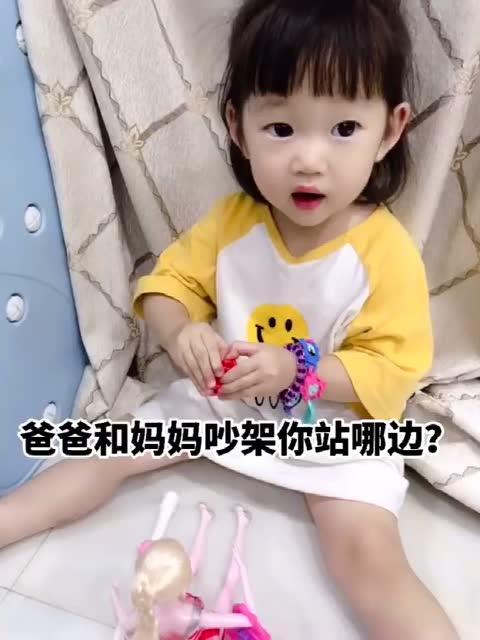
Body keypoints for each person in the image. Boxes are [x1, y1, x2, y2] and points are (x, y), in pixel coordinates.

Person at [0, 1, 459, 638]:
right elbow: (167, 287)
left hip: (333, 434)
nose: (309, 160)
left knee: (366, 556)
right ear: (239, 128)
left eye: (344, 128)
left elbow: (393, 368)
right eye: (282, 128)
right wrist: (180, 331)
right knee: (105, 452)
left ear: (390, 131)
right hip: (224, 408)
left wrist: (298, 372)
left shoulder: (386, 253)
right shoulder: (232, 224)